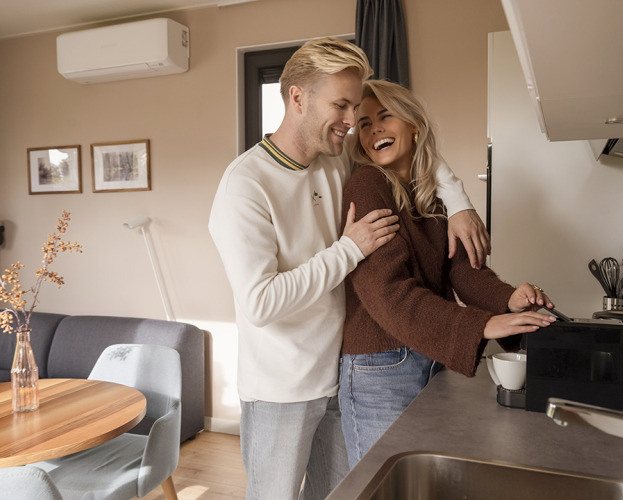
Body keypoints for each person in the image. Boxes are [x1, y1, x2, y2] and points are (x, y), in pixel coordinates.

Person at [208, 38, 488, 500]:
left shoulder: (336, 158)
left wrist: (458, 202)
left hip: (341, 377)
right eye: (341, 106)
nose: (351, 121)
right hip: (281, 391)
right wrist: (348, 250)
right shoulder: (245, 185)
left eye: (355, 108)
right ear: (298, 97)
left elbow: (414, 150)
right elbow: (260, 302)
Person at [338, 79, 558, 469]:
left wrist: (508, 298)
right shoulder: (367, 185)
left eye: (385, 117)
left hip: (428, 355)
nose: (374, 131)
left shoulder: (433, 195)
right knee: (383, 488)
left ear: (413, 125)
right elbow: (389, 293)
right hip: (380, 369)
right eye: (365, 124)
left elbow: (463, 270)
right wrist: (482, 324)